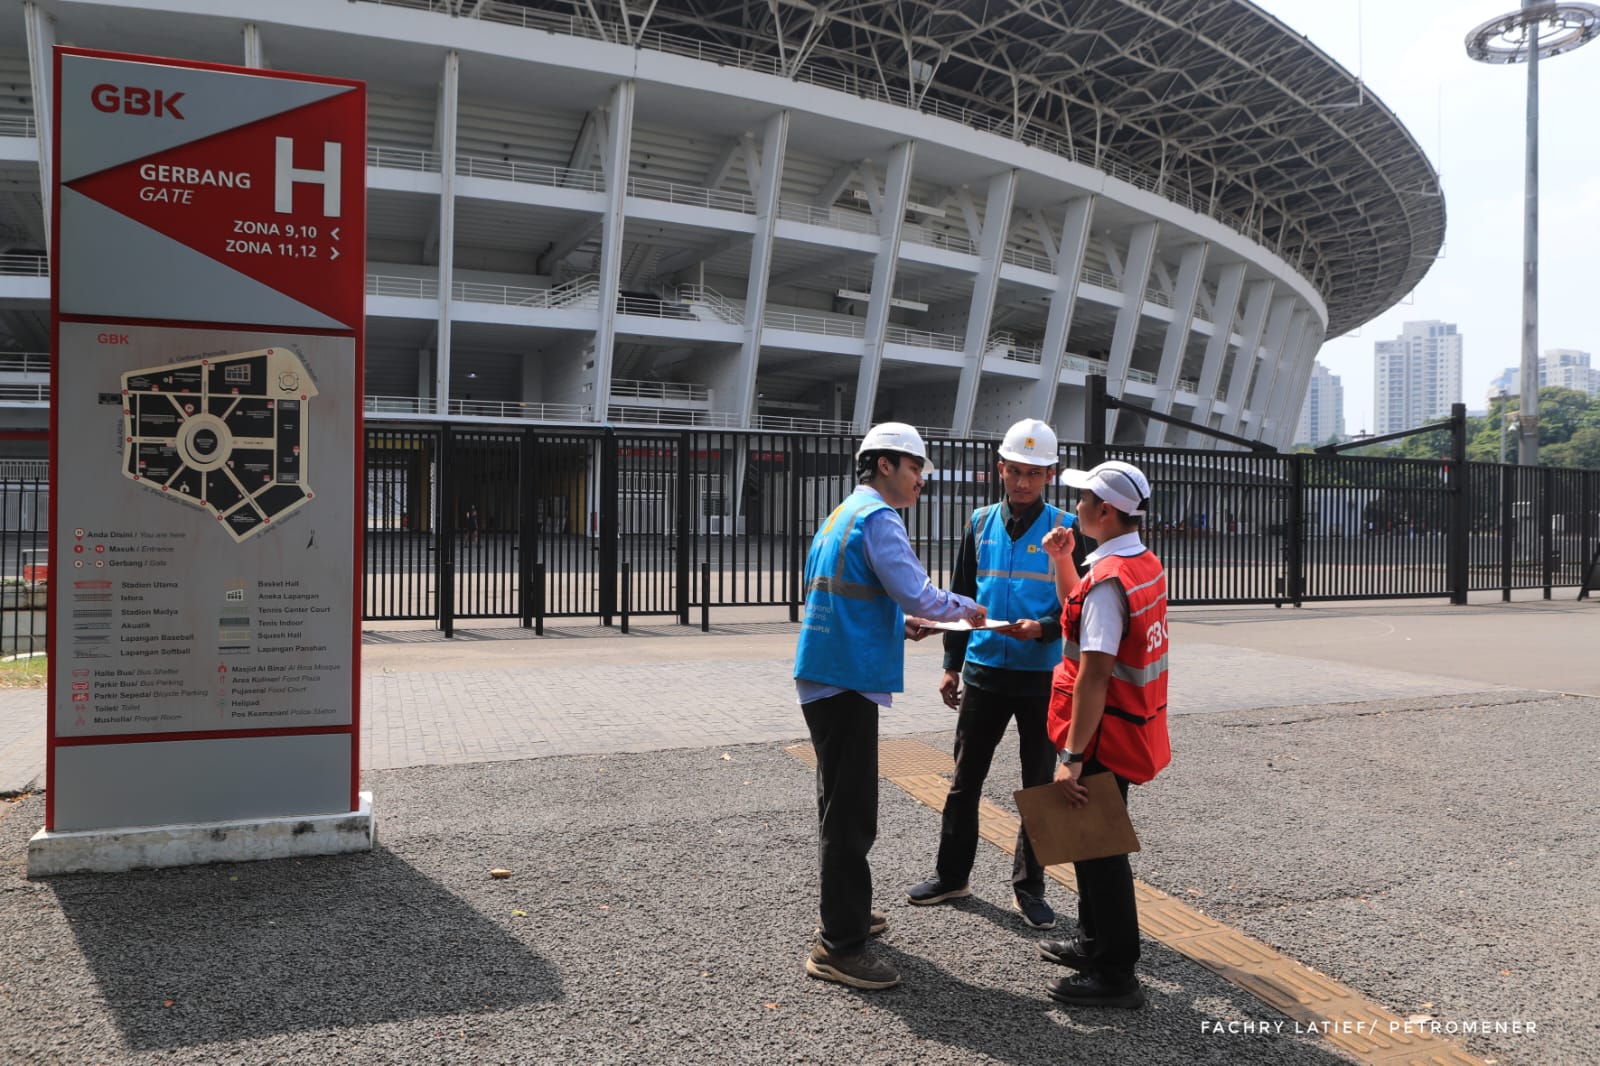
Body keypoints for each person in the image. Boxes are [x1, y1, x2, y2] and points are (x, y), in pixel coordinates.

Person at [795, 422, 986, 991]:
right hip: (846, 677)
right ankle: (839, 946)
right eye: (916, 467)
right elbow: (918, 591)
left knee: (841, 805)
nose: (922, 479)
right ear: (885, 465)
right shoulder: (880, 519)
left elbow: (852, 589)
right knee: (851, 815)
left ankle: (845, 917)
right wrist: (964, 610)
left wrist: (902, 624)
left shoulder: (842, 513)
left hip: (828, 672)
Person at [905, 418, 1074, 931]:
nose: (1023, 482)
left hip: (1040, 676)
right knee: (963, 781)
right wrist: (951, 665)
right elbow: (959, 595)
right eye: (1015, 471)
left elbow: (1076, 607)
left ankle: (1031, 888)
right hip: (981, 671)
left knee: (1038, 786)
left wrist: (1043, 629)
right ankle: (951, 875)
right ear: (1000, 469)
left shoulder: (1065, 530)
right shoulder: (978, 522)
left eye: (1034, 473)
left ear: (1049, 474)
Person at [1035, 459, 1171, 1010]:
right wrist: (1063, 559)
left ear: (1106, 511)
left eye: (1085, 499)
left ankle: (1115, 973)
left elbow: (1094, 672)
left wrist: (1071, 756)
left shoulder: (1110, 583)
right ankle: (1094, 944)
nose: (1077, 506)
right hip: (1124, 727)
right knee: (1090, 845)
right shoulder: (1137, 564)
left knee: (1101, 852)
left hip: (1097, 735)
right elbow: (1078, 608)